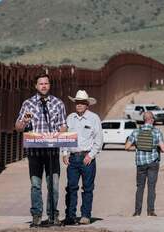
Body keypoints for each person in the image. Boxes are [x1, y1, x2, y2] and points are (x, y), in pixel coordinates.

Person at [15, 73, 67, 226]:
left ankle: (53, 215)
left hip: (52, 152)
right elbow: (17, 127)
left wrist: (60, 133)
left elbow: (63, 125)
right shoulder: (28, 104)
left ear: (49, 85)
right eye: (41, 83)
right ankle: (37, 215)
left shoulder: (58, 103)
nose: (44, 86)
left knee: (54, 186)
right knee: (36, 185)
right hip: (35, 152)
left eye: (46, 83)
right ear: (36, 86)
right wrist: (24, 121)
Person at [63, 90, 103, 225]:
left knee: (87, 188)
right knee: (71, 187)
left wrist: (91, 155)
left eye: (81, 103)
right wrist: (64, 153)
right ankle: (70, 215)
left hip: (87, 158)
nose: (79, 105)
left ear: (87, 104)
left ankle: (85, 215)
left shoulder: (94, 118)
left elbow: (99, 140)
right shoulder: (70, 118)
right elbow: (65, 137)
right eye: (77, 103)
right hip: (73, 158)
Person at [125, 111, 164, 217]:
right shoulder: (156, 132)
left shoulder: (136, 131)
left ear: (144, 119)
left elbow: (127, 147)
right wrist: (156, 147)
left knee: (140, 187)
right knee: (151, 187)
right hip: (153, 163)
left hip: (140, 164)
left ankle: (137, 212)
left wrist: (138, 147)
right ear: (152, 120)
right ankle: (150, 211)